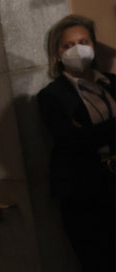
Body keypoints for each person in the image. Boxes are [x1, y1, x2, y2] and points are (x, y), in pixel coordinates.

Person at [37, 14, 115, 272]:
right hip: (86, 196)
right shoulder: (51, 96)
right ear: (57, 54)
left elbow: (87, 137)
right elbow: (73, 143)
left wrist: (93, 132)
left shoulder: (112, 85)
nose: (78, 49)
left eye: (83, 41)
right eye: (68, 45)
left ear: (93, 46)